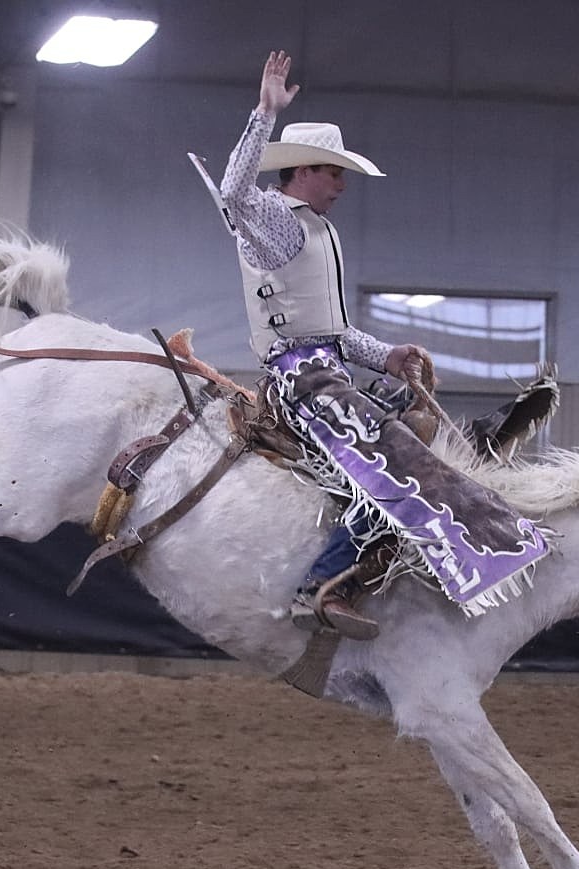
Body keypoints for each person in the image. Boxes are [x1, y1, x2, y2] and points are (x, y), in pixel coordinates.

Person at [217, 52, 550, 640]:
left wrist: (385, 355)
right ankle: (321, 584)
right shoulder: (277, 217)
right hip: (301, 381)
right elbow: (233, 191)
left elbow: (332, 330)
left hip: (325, 369)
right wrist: (264, 113)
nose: (343, 186)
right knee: (387, 454)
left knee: (414, 431)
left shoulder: (317, 229)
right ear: (304, 172)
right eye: (335, 174)